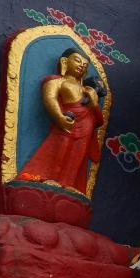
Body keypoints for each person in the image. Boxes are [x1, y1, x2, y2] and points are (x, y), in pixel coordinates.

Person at [19, 48, 104, 194]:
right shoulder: (56, 81)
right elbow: (50, 99)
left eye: (85, 64)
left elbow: (99, 121)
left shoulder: (86, 90)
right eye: (77, 60)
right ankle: (52, 179)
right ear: (65, 62)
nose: (82, 65)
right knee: (59, 148)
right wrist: (59, 116)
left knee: (78, 155)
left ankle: (68, 185)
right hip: (67, 121)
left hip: (86, 124)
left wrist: (94, 103)